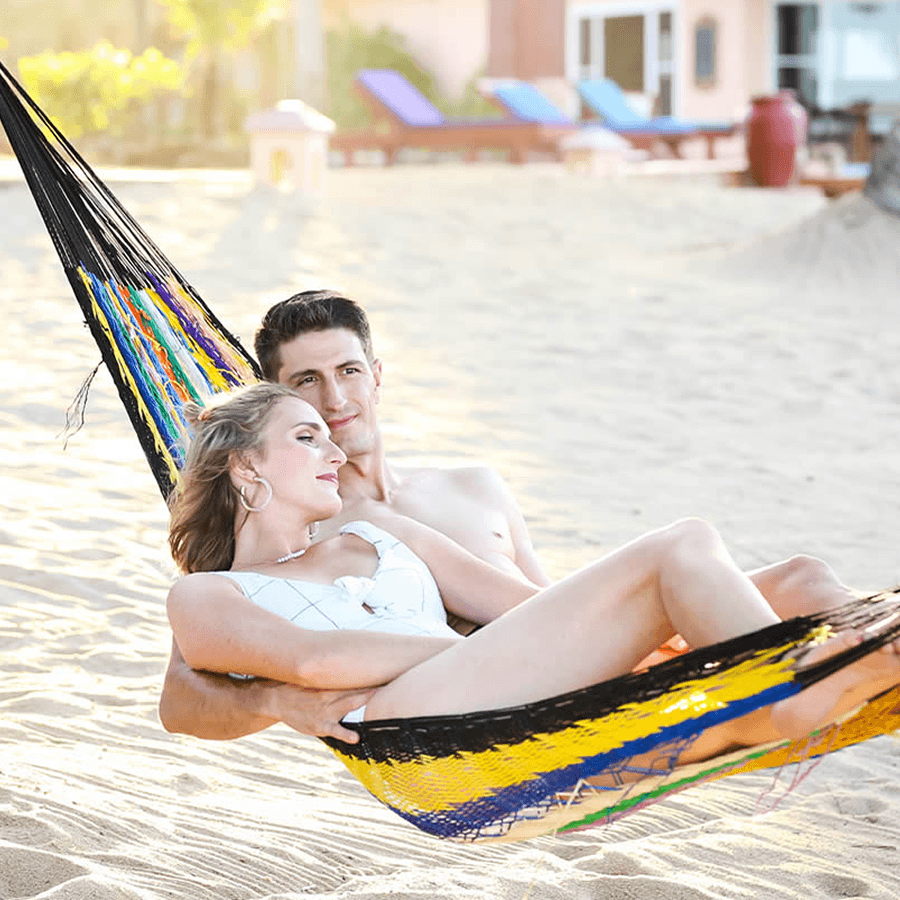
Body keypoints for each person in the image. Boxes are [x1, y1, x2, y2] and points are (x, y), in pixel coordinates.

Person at [159, 291, 858, 743]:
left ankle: (839, 679)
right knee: (683, 546)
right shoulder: (292, 539)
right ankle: (789, 696)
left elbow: (542, 605)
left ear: (377, 373)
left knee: (803, 579)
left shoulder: (458, 492)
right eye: (305, 388)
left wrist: (644, 643)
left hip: (548, 668)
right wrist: (274, 703)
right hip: (462, 711)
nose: (334, 401)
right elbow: (198, 683)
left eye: (345, 371)